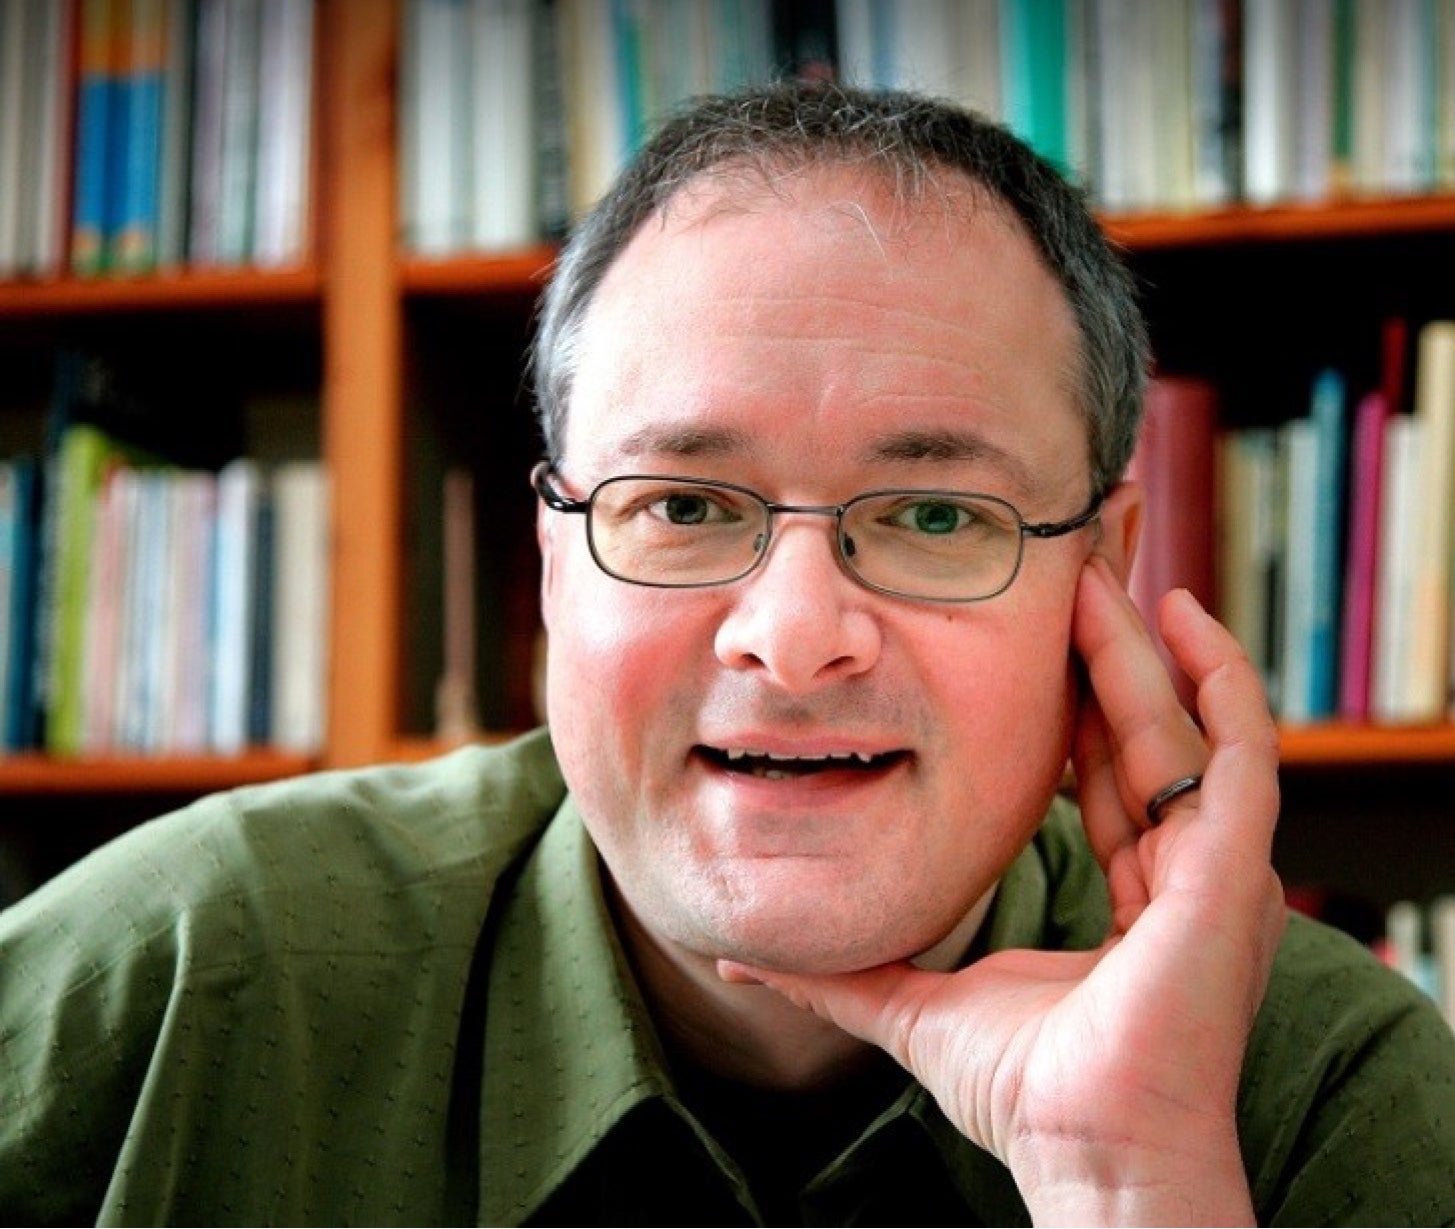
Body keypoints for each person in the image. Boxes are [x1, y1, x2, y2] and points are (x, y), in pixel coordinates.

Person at [3, 82, 1453, 1226]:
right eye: (686, 506)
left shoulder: (1332, 1092)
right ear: (556, 565)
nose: (798, 634)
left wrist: (1137, 1190)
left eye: (937, 512)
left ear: (1102, 571)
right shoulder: (171, 978)